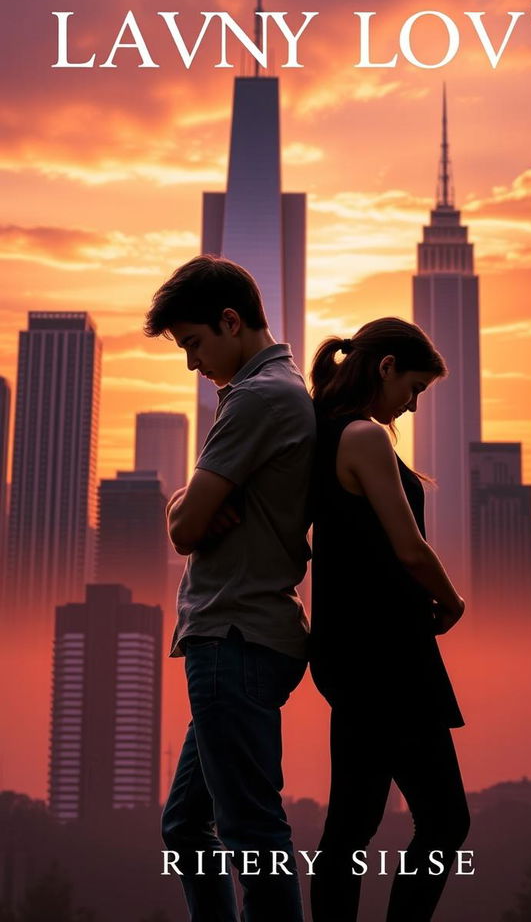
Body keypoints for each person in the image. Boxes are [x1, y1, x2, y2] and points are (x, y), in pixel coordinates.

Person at [144, 254, 315, 922]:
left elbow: (184, 529)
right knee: (187, 829)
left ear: (231, 321)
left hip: (233, 637)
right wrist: (189, 504)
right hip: (242, 639)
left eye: (193, 345)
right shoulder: (278, 387)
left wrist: (187, 508)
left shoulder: (257, 398)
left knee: (253, 837)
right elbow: (185, 513)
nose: (192, 364)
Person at [308, 317, 469, 922]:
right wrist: (452, 601)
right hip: (385, 657)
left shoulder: (326, 431)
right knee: (445, 818)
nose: (414, 404)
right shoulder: (364, 436)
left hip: (352, 652)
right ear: (386, 368)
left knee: (350, 827)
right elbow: (409, 547)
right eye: (415, 389)